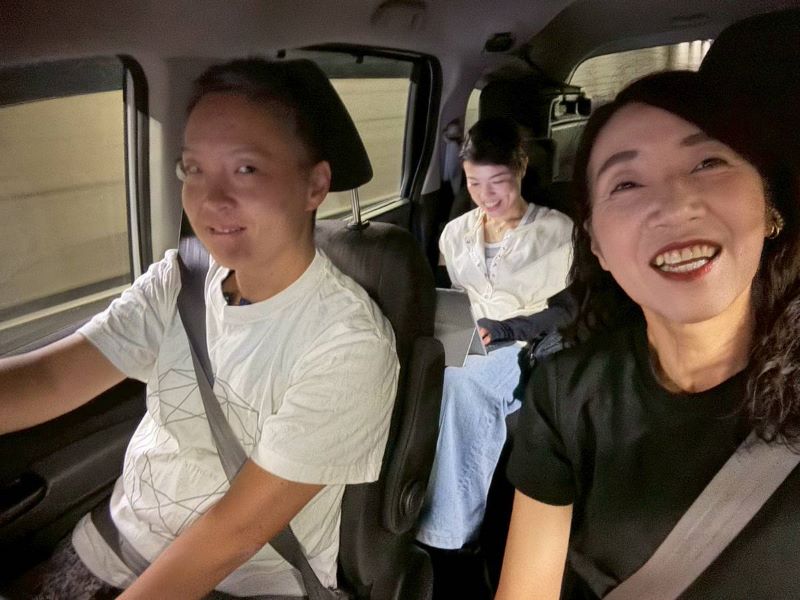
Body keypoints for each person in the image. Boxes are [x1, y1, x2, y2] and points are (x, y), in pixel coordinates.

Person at [0, 58, 399, 599]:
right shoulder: (181, 278)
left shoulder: (349, 344)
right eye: (193, 169)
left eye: (246, 169)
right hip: (112, 544)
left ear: (315, 185)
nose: (210, 200)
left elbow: (231, 536)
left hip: (239, 583)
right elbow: (50, 379)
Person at [495, 69, 800, 600]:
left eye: (708, 163)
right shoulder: (565, 394)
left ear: (769, 206)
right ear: (597, 245)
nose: (677, 205)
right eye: (627, 184)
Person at [416, 117, 572, 586]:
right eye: (474, 183)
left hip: (525, 344)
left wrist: (507, 329)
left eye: (498, 182)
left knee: (461, 383)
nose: (486, 195)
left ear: (521, 168)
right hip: (463, 337)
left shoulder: (557, 231)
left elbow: (569, 309)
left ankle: (451, 533)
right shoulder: (454, 232)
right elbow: (448, 294)